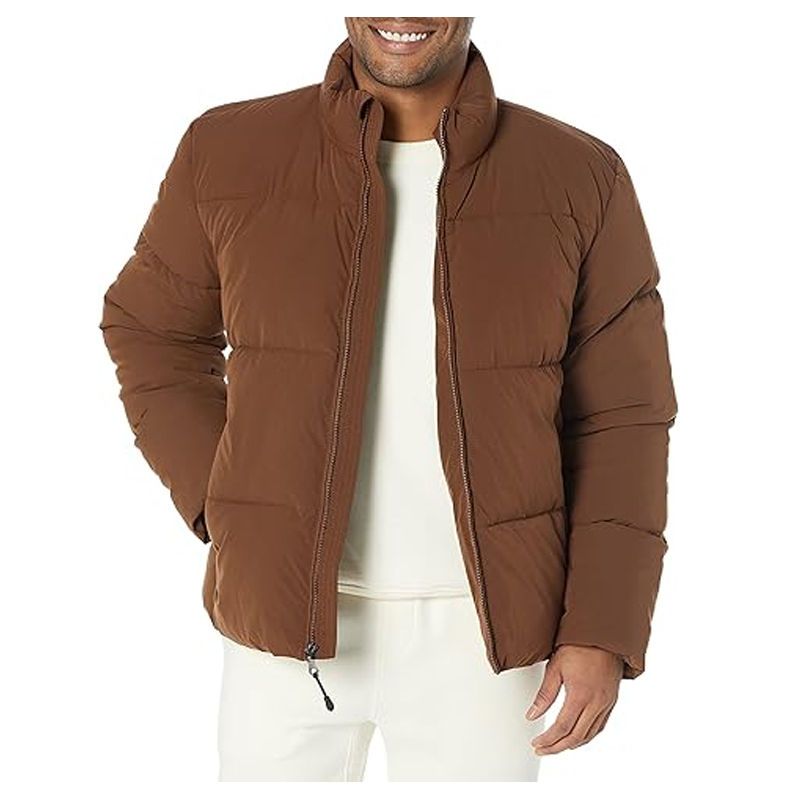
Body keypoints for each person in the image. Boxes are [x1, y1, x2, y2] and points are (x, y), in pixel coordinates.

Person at [98, 17, 678, 782]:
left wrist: (603, 624)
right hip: (284, 629)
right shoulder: (229, 150)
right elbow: (150, 331)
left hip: (488, 638)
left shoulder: (578, 175)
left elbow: (624, 418)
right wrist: (232, 502)